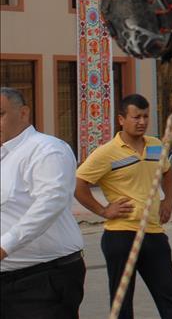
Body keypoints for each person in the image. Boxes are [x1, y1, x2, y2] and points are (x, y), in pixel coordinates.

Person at [75, 93, 172, 319]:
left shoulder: (156, 146)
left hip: (154, 234)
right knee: (122, 305)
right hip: (121, 236)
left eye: (145, 116)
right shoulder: (106, 152)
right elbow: (79, 185)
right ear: (121, 119)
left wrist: (168, 200)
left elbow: (167, 172)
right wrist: (103, 210)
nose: (142, 122)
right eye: (136, 117)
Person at [1, 87, 86, 318]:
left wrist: (5, 246)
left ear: (24, 113)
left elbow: (51, 200)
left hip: (42, 279)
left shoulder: (46, 149)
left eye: (0, 114)